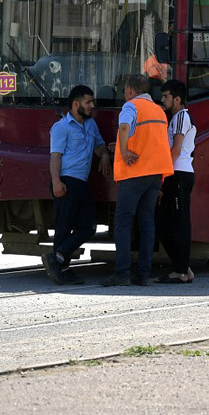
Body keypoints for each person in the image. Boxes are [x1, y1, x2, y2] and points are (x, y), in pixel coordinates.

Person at [100, 74, 173, 287]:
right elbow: (148, 139)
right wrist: (123, 144)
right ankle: (142, 274)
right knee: (147, 222)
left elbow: (125, 127)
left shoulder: (131, 106)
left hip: (135, 173)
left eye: (125, 90)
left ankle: (122, 273)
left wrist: (123, 151)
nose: (124, 94)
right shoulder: (159, 111)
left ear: (130, 90)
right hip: (155, 175)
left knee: (123, 221)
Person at [42, 85, 107, 285]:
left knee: (88, 227)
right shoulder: (61, 127)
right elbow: (55, 156)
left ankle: (57, 259)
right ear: (76, 104)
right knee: (63, 228)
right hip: (66, 181)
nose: (92, 106)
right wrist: (56, 182)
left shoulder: (90, 124)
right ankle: (63, 270)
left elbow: (99, 145)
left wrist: (104, 155)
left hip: (82, 183)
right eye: (88, 102)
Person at [155, 79, 197, 284]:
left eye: (166, 96)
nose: (162, 100)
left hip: (178, 174)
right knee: (165, 223)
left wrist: (163, 177)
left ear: (177, 99)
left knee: (179, 223)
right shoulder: (175, 118)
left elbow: (176, 150)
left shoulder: (181, 117)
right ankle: (183, 267)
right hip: (176, 174)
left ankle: (181, 271)